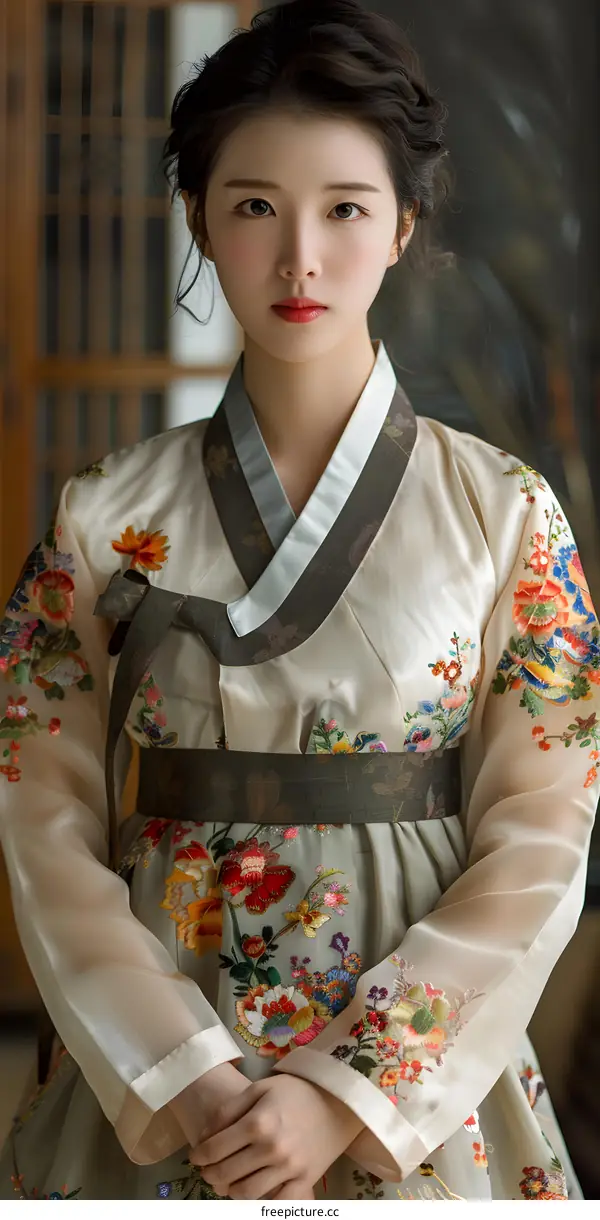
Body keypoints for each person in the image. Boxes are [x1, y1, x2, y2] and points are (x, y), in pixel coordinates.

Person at [0, 0, 598, 1202]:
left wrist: (346, 1088)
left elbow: (543, 829)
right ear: (199, 219)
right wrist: (188, 1074)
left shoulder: (506, 514)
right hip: (165, 1072)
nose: (300, 259)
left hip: (409, 1091)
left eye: (346, 209)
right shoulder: (101, 516)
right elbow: (40, 812)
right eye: (255, 206)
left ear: (405, 223)